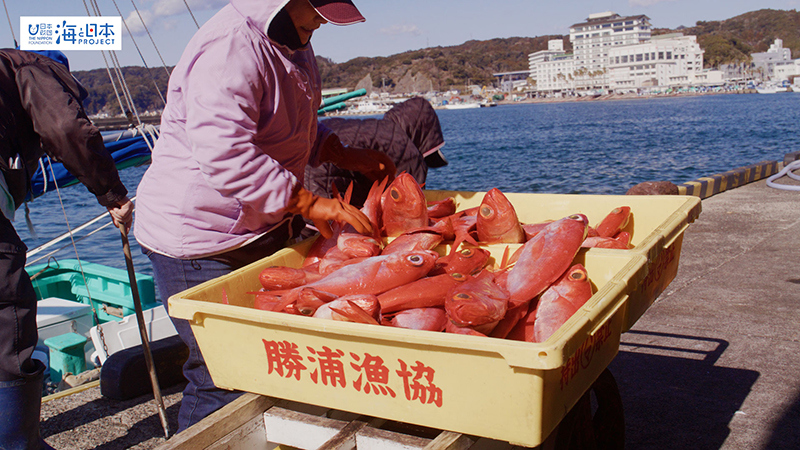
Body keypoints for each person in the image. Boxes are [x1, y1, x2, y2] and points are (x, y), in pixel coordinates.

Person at [133, 0, 395, 433]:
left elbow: (290, 122)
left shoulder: (293, 40)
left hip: (256, 228)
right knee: (222, 371)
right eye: (316, 9)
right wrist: (310, 205)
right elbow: (226, 153)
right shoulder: (229, 48)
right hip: (198, 239)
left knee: (268, 360)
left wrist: (338, 150)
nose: (322, 21)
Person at [0, 48, 134, 450]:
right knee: (7, 316)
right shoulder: (31, 69)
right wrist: (112, 194)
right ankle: (16, 444)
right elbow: (65, 128)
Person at [306, 96, 447, 208]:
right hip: (326, 175)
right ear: (422, 133)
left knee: (310, 235)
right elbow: (412, 202)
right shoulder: (403, 146)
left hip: (303, 164)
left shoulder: (379, 128)